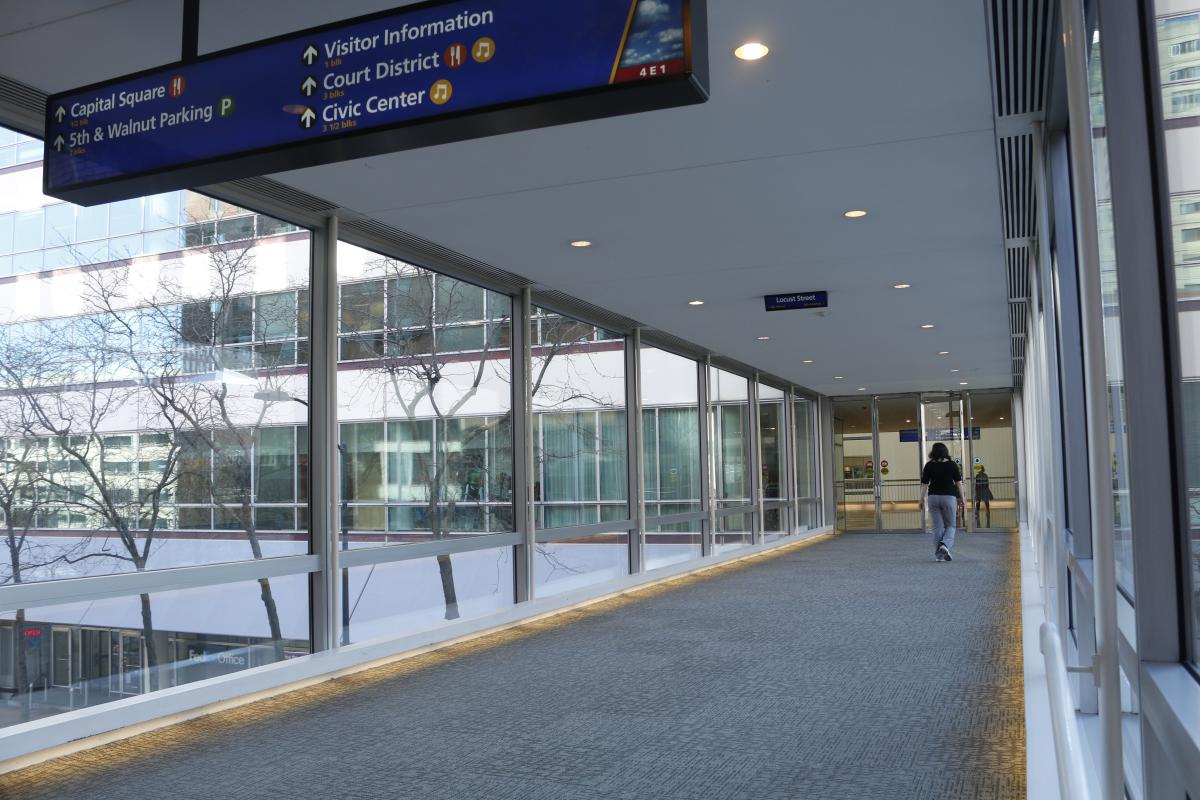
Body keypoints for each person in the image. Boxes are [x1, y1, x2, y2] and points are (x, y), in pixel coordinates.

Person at [918, 442, 964, 561]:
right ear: (945, 452)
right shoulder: (952, 464)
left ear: (933, 452)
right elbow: (959, 483)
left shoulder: (928, 465)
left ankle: (939, 556)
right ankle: (945, 545)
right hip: (948, 497)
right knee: (951, 525)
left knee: (938, 527)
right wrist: (963, 498)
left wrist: (921, 499)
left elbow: (924, 485)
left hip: (933, 498)